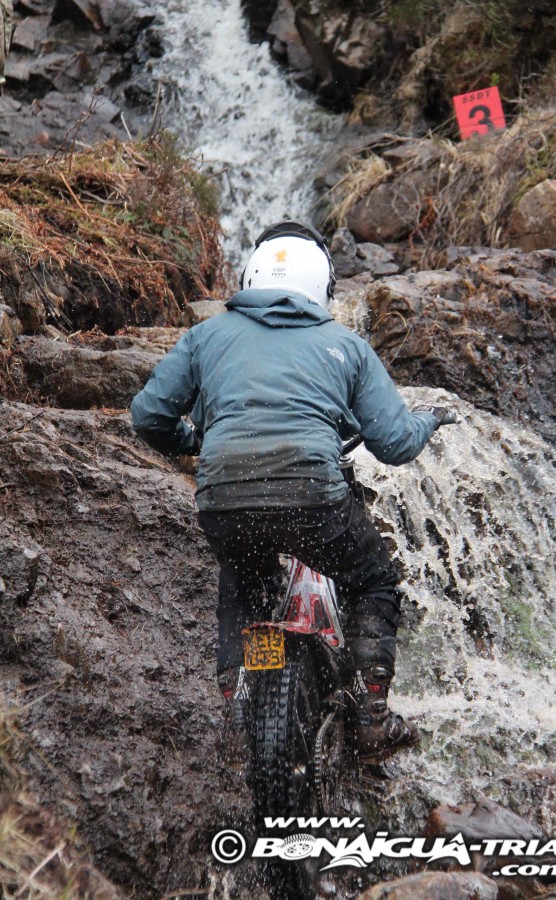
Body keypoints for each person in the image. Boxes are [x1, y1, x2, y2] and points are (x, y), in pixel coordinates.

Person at [130, 221, 454, 764]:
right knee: (374, 579)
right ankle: (371, 717)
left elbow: (147, 416)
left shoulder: (206, 335)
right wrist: (430, 419)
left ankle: (238, 712)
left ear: (250, 276)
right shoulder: (345, 345)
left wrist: (191, 441)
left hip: (224, 495)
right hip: (312, 494)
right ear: (323, 285)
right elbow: (395, 443)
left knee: (243, 578)